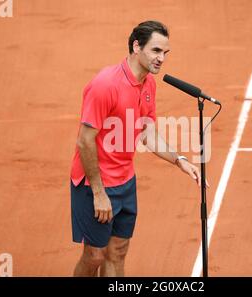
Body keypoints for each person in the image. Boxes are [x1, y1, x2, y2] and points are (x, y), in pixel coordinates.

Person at [70, 20, 204, 277]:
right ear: (136, 46)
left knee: (117, 251)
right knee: (94, 256)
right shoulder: (105, 85)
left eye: (165, 53)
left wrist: (179, 159)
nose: (161, 58)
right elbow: (85, 141)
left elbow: (148, 132)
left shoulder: (148, 84)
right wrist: (99, 193)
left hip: (125, 181)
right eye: (155, 51)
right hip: (93, 184)